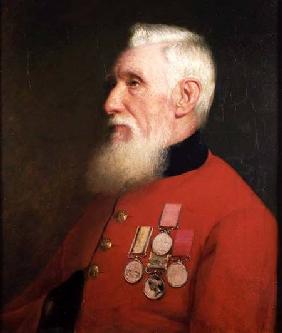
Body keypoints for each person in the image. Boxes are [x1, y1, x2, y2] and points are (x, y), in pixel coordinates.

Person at [2, 23, 277, 333]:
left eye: (133, 83)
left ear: (184, 97)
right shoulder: (113, 196)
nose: (110, 103)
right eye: (114, 84)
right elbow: (24, 310)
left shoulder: (241, 219)